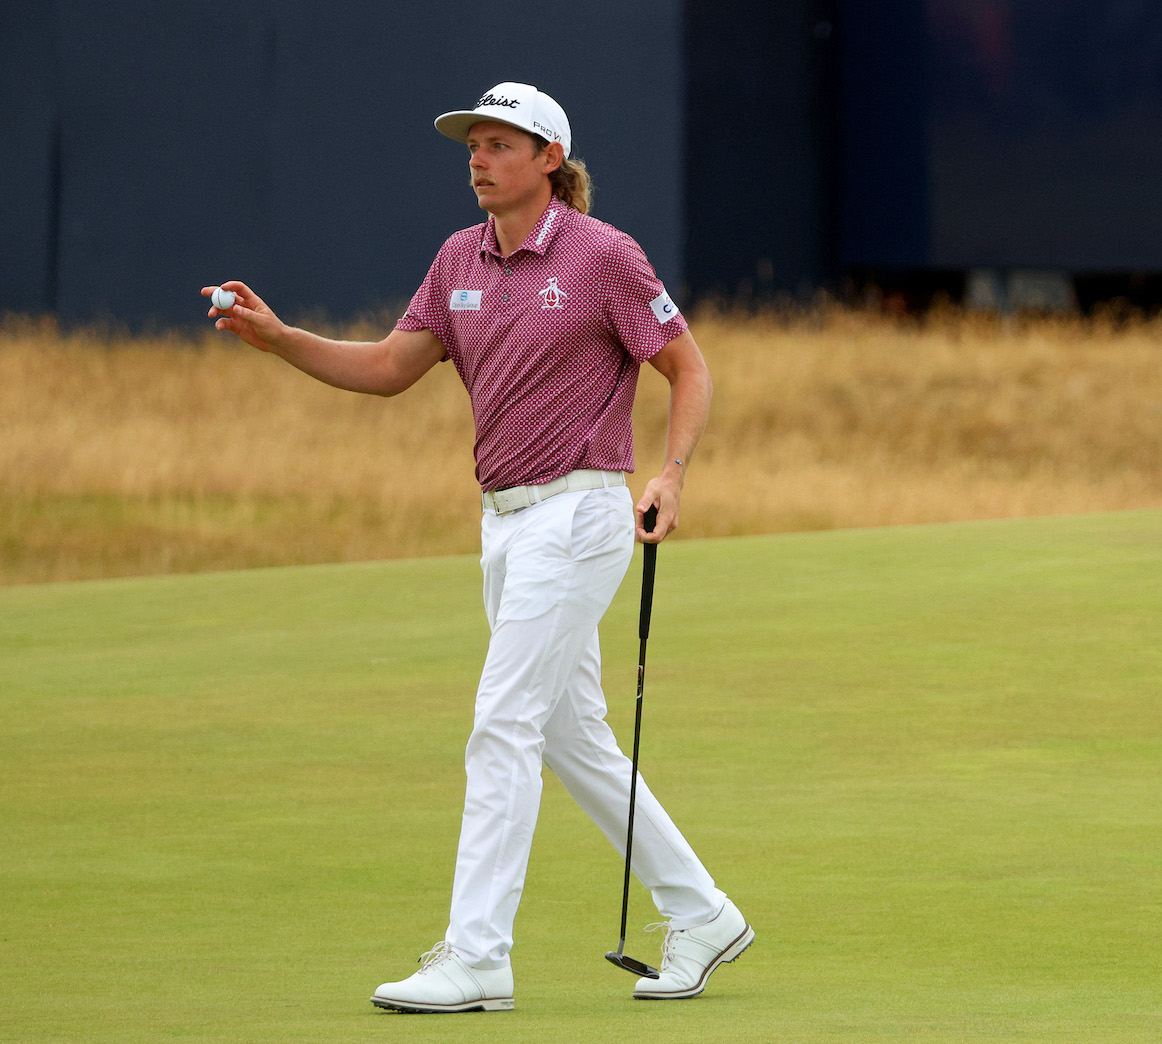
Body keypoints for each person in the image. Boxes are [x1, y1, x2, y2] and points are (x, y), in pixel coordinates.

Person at [201, 82, 751, 1012]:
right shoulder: (459, 256)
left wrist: (674, 472)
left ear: (549, 159)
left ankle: (477, 955)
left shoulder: (602, 255)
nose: (477, 156)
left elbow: (686, 366)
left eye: (499, 142)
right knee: (572, 739)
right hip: (501, 525)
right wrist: (282, 338)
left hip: (580, 515)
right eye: (472, 142)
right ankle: (702, 912)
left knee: (501, 723)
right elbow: (387, 367)